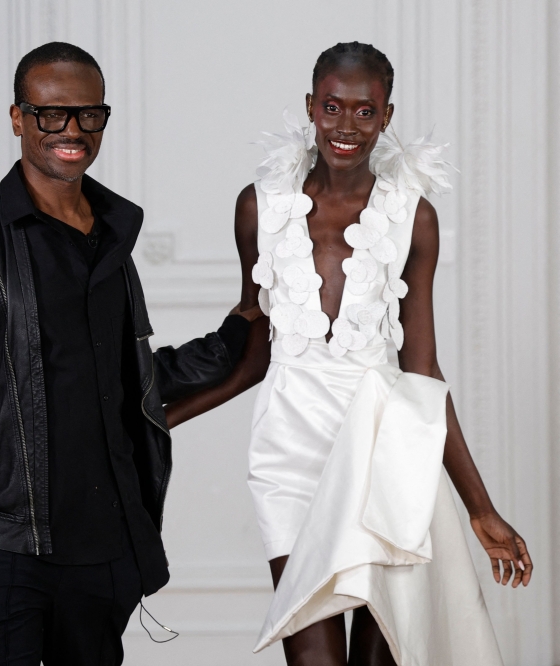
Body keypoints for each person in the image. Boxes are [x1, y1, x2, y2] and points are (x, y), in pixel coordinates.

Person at [165, 42, 531, 665]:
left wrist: (480, 508)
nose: (345, 126)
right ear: (311, 106)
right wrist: (158, 419)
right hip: (289, 455)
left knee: (383, 651)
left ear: (387, 117)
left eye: (365, 111)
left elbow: (421, 368)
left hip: (386, 453)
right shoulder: (258, 207)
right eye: (332, 106)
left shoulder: (414, 218)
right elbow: (254, 350)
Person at [0, 42, 259, 665]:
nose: (70, 131)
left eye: (87, 114)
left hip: (106, 550)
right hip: (8, 555)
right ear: (18, 119)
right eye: (50, 114)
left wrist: (231, 339)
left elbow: (125, 381)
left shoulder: (112, 233)